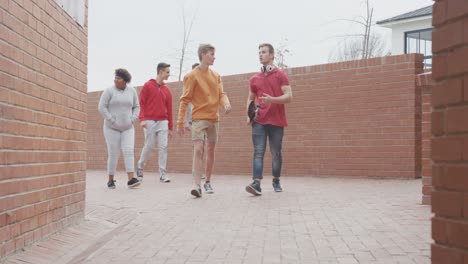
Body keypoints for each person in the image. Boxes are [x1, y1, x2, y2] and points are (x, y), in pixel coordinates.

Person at [177, 44, 231, 198]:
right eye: (211, 54)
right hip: (198, 118)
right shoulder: (191, 76)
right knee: (199, 149)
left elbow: (221, 94)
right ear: (203, 54)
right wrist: (180, 122)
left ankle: (207, 181)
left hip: (214, 118)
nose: (214, 57)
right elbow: (184, 100)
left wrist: (226, 103)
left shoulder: (216, 76)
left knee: (211, 150)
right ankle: (197, 185)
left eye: (214, 54)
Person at [245, 43, 293, 196]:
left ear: (272, 55)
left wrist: (272, 99)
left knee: (276, 153)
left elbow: (289, 97)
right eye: (259, 52)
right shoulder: (254, 79)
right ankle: (256, 183)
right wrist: (248, 114)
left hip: (277, 121)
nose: (260, 54)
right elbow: (250, 98)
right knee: (258, 152)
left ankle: (276, 180)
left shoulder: (281, 75)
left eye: (264, 52)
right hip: (259, 120)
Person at [98, 68, 141, 189]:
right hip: (111, 128)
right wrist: (111, 119)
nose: (115, 79)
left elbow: (137, 107)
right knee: (113, 154)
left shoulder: (132, 91)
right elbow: (101, 107)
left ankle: (131, 179)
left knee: (128, 151)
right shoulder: (109, 91)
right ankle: (111, 180)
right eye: (115, 77)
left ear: (125, 80)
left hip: (128, 128)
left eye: (119, 78)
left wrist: (132, 119)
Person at [136, 63, 173, 183]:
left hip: (163, 122)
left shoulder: (167, 90)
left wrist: (170, 128)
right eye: (167, 72)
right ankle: (140, 167)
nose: (169, 74)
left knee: (164, 147)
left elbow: (170, 109)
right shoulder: (148, 85)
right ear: (161, 72)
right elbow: (141, 103)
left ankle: (162, 174)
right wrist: (142, 119)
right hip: (149, 121)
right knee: (150, 146)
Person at [186, 63, 206, 180]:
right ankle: (196, 170)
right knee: (197, 147)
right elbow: (186, 105)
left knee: (203, 147)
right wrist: (187, 121)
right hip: (194, 120)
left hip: (206, 119)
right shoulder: (189, 88)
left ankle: (199, 170)